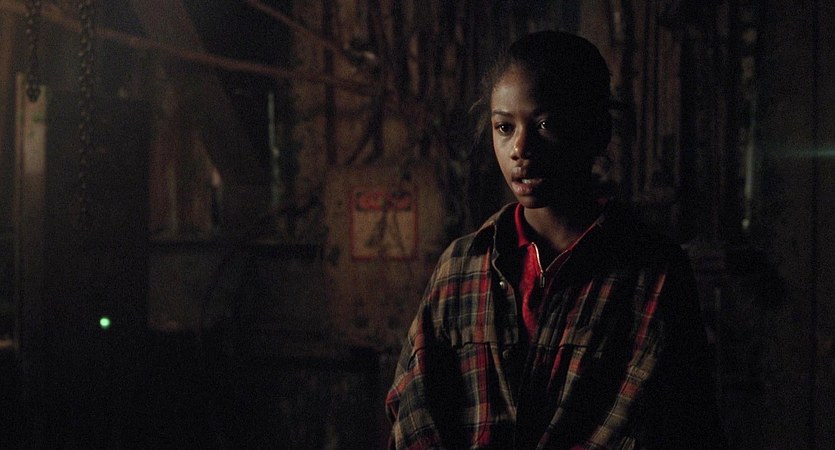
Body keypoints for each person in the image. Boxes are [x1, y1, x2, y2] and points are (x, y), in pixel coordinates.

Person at [385, 30, 725, 449]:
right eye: (504, 127)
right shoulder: (462, 266)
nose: (520, 148)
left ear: (596, 131)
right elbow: (413, 406)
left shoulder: (650, 272)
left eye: (545, 124)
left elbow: (674, 422)